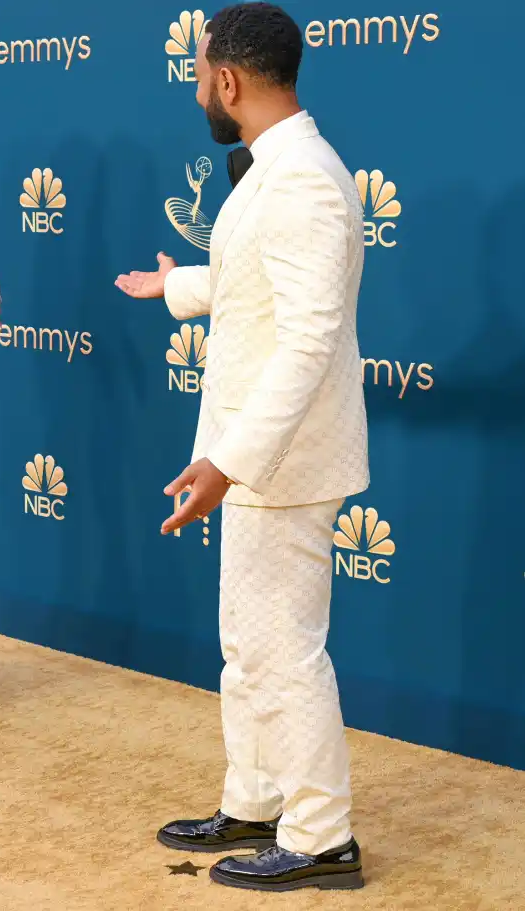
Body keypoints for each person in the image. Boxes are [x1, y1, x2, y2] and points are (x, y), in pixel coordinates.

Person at [116, 2, 368, 893]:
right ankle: (256, 799)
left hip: (282, 462)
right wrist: (175, 283)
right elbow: (252, 279)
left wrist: (228, 460)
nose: (196, 91)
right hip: (259, 459)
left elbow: (307, 340)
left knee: (282, 647)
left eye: (197, 75)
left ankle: (320, 834)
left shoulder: (299, 176)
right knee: (246, 641)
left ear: (226, 79)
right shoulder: (282, 167)